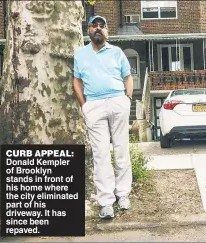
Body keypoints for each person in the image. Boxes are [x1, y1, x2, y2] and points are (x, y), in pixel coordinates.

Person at [73, 15, 133, 219]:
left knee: (121, 150)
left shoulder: (117, 52)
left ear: (107, 31)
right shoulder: (80, 54)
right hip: (94, 106)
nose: (98, 28)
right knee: (101, 155)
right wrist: (85, 106)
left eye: (102, 26)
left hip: (118, 101)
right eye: (94, 25)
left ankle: (123, 194)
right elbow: (77, 81)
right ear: (88, 30)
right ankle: (106, 202)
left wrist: (128, 99)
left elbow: (128, 76)